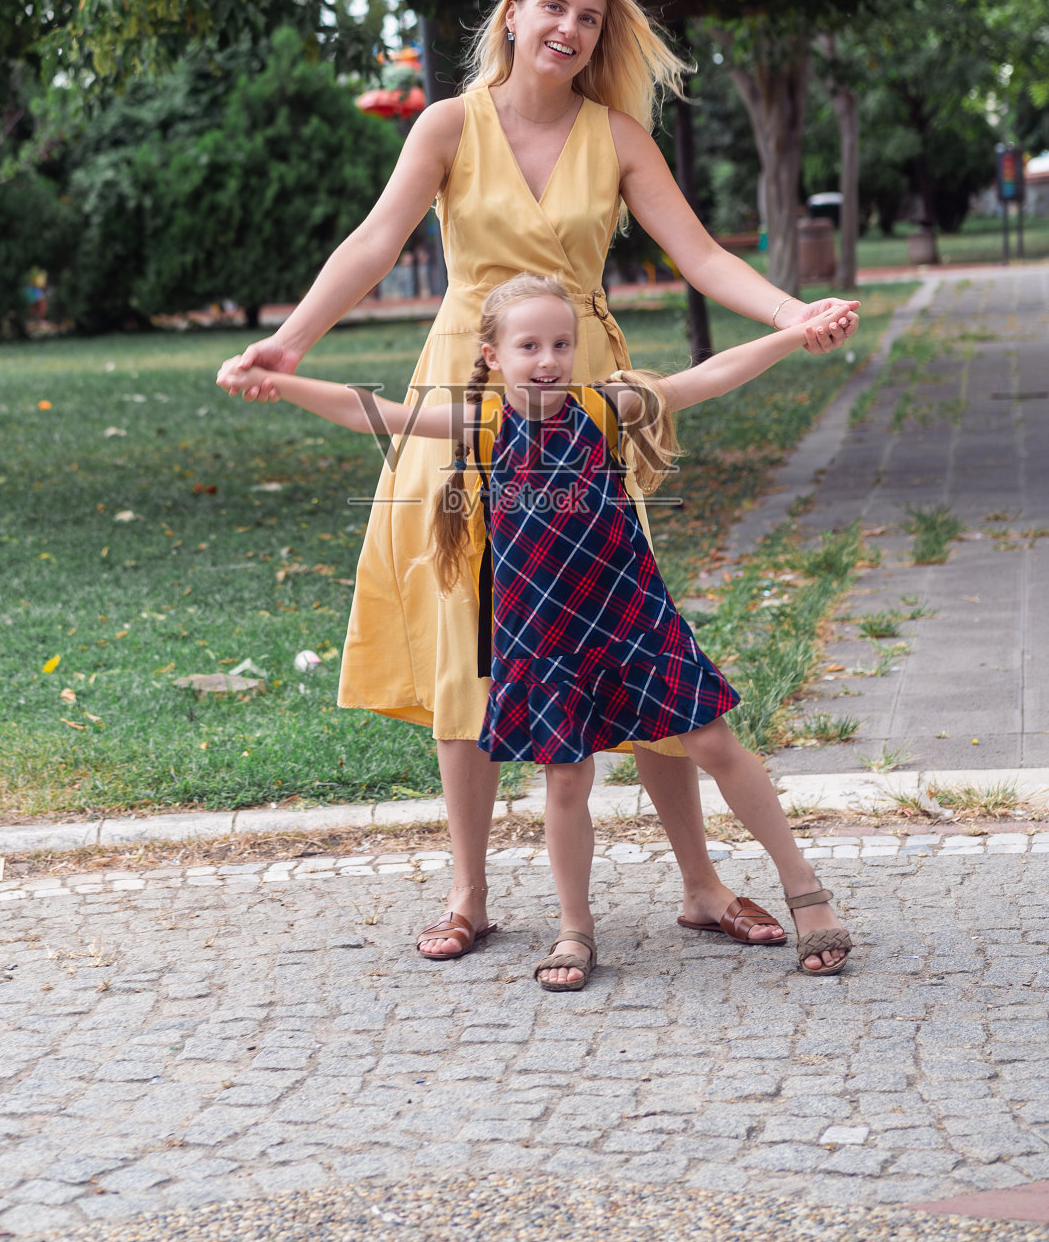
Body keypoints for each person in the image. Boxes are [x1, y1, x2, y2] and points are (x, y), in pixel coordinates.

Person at [217, 0, 859, 967]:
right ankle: (468, 893)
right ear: (513, 13)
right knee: (465, 638)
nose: (569, 28)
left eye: (589, 18)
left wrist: (792, 315)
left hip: (585, 391)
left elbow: (698, 253)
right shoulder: (446, 125)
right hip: (466, 394)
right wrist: (289, 345)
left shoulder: (617, 135)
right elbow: (375, 242)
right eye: (553, 7)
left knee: (625, 626)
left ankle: (700, 884)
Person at [217, 274, 854, 986]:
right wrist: (280, 382)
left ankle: (806, 892)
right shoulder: (482, 424)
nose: (548, 360)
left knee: (712, 742)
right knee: (565, 778)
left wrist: (795, 334)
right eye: (528, 347)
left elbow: (708, 376)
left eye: (560, 344)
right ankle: (575, 930)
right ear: (492, 355)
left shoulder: (605, 406)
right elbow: (375, 411)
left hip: (631, 618)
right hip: (543, 635)